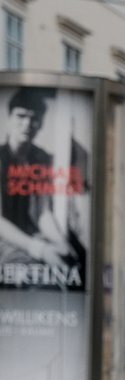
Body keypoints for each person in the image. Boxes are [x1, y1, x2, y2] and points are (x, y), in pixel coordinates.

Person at [0, 87, 72, 267]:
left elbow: (43, 212)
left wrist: (61, 243)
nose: (27, 124)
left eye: (34, 118)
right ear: (9, 119)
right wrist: (40, 249)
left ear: (41, 123)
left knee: (71, 260)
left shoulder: (41, 158)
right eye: (21, 116)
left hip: (30, 237)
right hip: (6, 239)